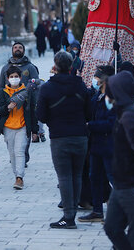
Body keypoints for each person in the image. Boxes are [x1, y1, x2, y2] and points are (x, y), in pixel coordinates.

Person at [36, 51, 91, 229]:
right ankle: (73, 211)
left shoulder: (47, 88)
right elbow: (89, 113)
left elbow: (41, 116)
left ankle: (69, 217)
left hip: (60, 137)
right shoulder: (81, 86)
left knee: (65, 176)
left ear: (55, 66)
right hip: (81, 136)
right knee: (76, 175)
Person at [102, 71, 134, 250]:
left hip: (133, 187)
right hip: (121, 185)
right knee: (112, 227)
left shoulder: (131, 116)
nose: (106, 96)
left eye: (109, 91)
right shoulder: (123, 113)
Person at [78, 65, 115, 223]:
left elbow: (111, 123)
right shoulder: (96, 96)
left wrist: (90, 126)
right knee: (95, 177)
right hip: (95, 144)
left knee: (113, 177)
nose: (94, 79)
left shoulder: (113, 99)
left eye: (97, 77)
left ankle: (123, 210)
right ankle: (97, 210)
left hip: (109, 143)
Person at [0, 66, 38, 190]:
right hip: (8, 127)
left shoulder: (26, 92)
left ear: (20, 78)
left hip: (23, 126)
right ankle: (16, 174)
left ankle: (19, 177)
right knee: (12, 153)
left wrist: (35, 130)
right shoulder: (3, 92)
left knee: (20, 152)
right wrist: (8, 107)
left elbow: (32, 111)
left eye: (16, 77)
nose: (14, 79)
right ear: (7, 78)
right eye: (11, 77)